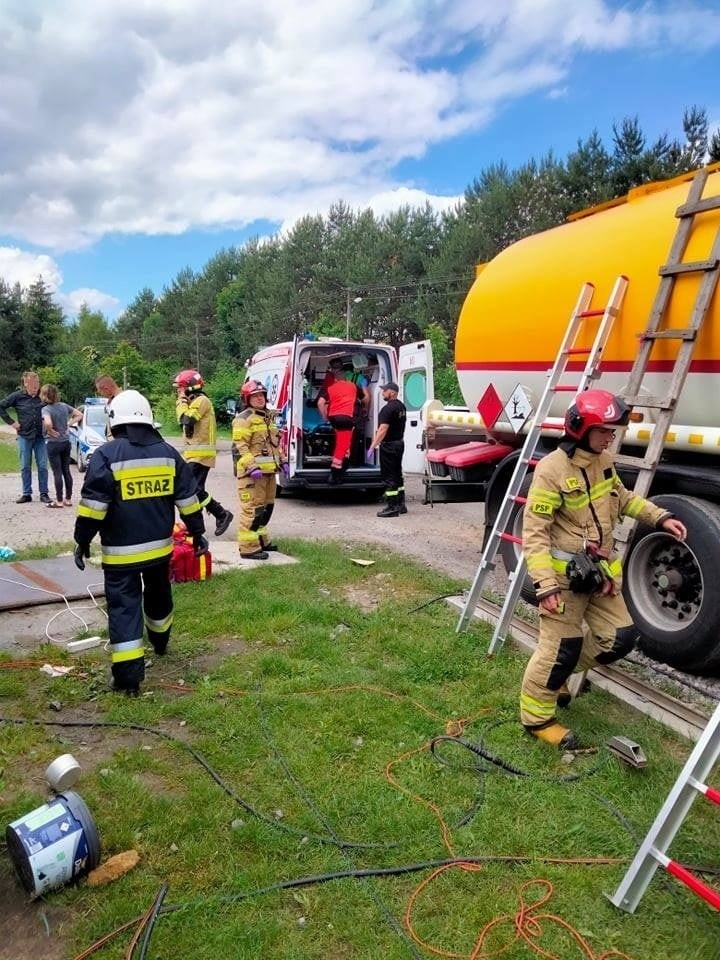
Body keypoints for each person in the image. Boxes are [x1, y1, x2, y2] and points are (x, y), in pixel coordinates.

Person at [520, 389, 687, 749]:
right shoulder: (551, 470)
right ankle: (536, 719)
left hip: (599, 577)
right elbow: (534, 533)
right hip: (564, 582)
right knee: (559, 649)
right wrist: (545, 586)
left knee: (620, 638)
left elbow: (622, 497)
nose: (610, 436)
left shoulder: (603, 460)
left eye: (612, 430)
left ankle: (558, 675)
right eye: (604, 430)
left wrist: (660, 517)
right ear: (579, 428)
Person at [73, 390, 207, 696]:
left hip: (121, 556)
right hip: (160, 549)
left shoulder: (106, 456)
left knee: (124, 608)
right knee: (159, 596)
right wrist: (198, 534)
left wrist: (82, 541)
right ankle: (160, 643)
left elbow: (93, 508)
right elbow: (188, 500)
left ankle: (128, 680)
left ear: (114, 420)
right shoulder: (168, 452)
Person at [173, 369, 233, 537]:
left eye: (180, 388)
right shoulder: (194, 401)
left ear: (189, 387)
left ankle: (221, 514)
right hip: (195, 455)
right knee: (194, 490)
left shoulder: (202, 400)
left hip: (201, 455)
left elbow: (185, 419)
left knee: (192, 489)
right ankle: (198, 526)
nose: (178, 392)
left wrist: (181, 401)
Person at [232, 380, 287, 559]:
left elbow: (274, 445)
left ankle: (262, 541)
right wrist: (252, 466)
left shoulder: (267, 418)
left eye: (261, 395)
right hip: (252, 475)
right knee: (253, 510)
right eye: (255, 396)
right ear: (247, 399)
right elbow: (241, 446)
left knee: (266, 508)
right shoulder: (243, 419)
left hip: (269, 472)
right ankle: (248, 548)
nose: (259, 398)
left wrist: (283, 461)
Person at [0, 370, 51, 504]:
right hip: (24, 436)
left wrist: (50, 425)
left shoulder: (43, 396)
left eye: (37, 383)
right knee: (25, 466)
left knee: (42, 465)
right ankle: (26, 493)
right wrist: (12, 422)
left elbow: (53, 407)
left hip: (40, 436)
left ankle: (44, 493)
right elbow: (1, 407)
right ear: (26, 383)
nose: (36, 387)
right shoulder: (17, 396)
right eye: (33, 384)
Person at [367, 381, 407, 517]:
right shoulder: (401, 407)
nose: (383, 393)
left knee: (389, 477)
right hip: (399, 444)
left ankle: (392, 507)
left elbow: (383, 429)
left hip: (389, 446)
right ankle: (401, 504)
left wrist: (373, 446)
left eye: (385, 390)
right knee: (397, 475)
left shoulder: (388, 409)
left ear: (392, 392)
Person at [40, 384, 83, 507]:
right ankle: (68, 499)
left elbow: (47, 422)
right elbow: (80, 414)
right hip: (65, 442)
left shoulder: (46, 409)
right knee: (66, 471)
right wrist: (69, 424)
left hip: (53, 443)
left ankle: (58, 501)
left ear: (45, 396)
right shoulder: (64, 406)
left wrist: (50, 430)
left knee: (57, 472)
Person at [317, 360, 359, 484]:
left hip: (334, 419)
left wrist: (325, 417)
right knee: (343, 445)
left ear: (335, 378)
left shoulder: (331, 388)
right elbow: (365, 398)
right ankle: (334, 474)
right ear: (345, 378)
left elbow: (320, 403)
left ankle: (341, 469)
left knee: (344, 442)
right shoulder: (352, 386)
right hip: (346, 418)